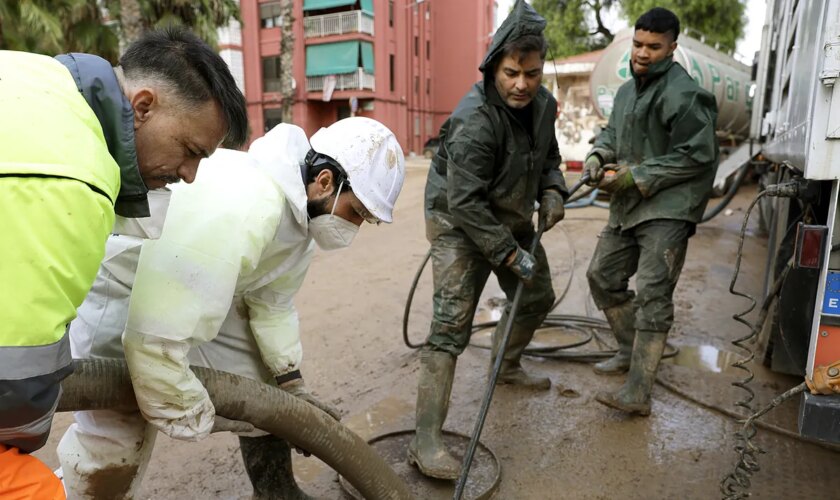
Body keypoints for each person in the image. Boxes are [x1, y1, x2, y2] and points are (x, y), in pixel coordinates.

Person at [56, 118, 406, 499]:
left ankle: (276, 491)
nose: (354, 227)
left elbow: (271, 304)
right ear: (324, 181)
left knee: (268, 392)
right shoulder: (248, 200)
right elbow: (155, 332)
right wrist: (188, 408)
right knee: (116, 446)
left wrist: (292, 386)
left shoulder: (302, 219)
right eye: (355, 212)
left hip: (191, 295)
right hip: (126, 300)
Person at [0, 26, 246, 495]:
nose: (190, 176)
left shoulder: (38, 75)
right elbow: (14, 376)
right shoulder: (80, 180)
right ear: (144, 106)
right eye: (191, 151)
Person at [409, 0, 568, 480]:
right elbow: (465, 204)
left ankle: (506, 362)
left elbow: (551, 158)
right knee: (449, 329)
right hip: (461, 223)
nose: (522, 84)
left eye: (533, 74)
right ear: (494, 67)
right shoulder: (475, 120)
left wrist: (553, 190)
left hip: (510, 210)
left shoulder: (544, 107)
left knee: (537, 295)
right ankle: (426, 441)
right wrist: (507, 253)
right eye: (512, 72)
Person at [584, 7, 719, 416]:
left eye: (654, 47)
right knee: (602, 276)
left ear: (672, 47)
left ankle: (638, 393)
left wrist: (635, 175)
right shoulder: (627, 91)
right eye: (638, 44)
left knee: (653, 295)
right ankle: (629, 351)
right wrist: (597, 155)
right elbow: (612, 133)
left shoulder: (685, 93)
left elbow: (698, 156)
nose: (643, 53)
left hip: (670, 207)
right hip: (630, 205)